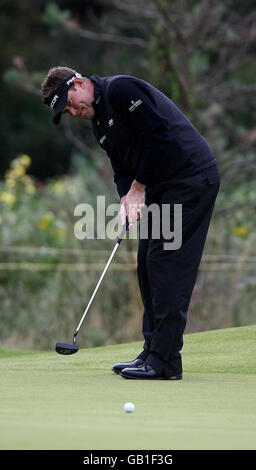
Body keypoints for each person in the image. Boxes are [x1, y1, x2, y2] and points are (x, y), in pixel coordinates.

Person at [41, 66, 220, 380]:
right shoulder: (99, 124)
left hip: (191, 178)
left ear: (79, 83)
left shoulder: (121, 91)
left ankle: (165, 361)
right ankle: (152, 351)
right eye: (65, 111)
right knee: (146, 263)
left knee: (165, 262)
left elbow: (158, 138)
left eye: (68, 103)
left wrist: (139, 190)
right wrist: (127, 199)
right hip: (163, 187)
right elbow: (121, 168)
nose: (72, 111)